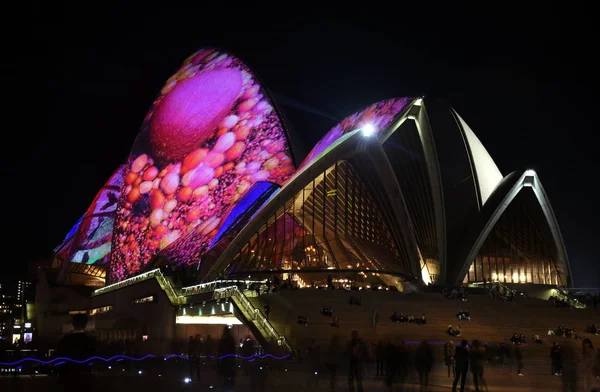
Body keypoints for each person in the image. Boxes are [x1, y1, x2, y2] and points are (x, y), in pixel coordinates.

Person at [56, 314, 96, 392]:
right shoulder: (90, 340)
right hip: (85, 376)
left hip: (69, 376)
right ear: (86, 324)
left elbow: (59, 357)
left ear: (73, 324)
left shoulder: (65, 340)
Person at [217, 326, 237, 391]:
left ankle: (226, 386)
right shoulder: (230, 339)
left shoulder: (223, 339)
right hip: (229, 360)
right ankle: (228, 386)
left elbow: (220, 350)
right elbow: (233, 350)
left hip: (225, 360)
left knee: (225, 375)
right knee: (228, 375)